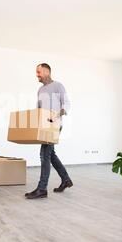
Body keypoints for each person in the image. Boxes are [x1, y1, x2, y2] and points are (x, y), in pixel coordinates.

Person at [25, 63, 73, 200]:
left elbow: (66, 104)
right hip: (44, 126)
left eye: (38, 72)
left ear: (46, 72)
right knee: (50, 155)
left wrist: (57, 114)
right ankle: (66, 179)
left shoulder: (58, 86)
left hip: (55, 125)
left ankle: (42, 189)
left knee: (44, 154)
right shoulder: (40, 90)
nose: (37, 75)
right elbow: (38, 109)